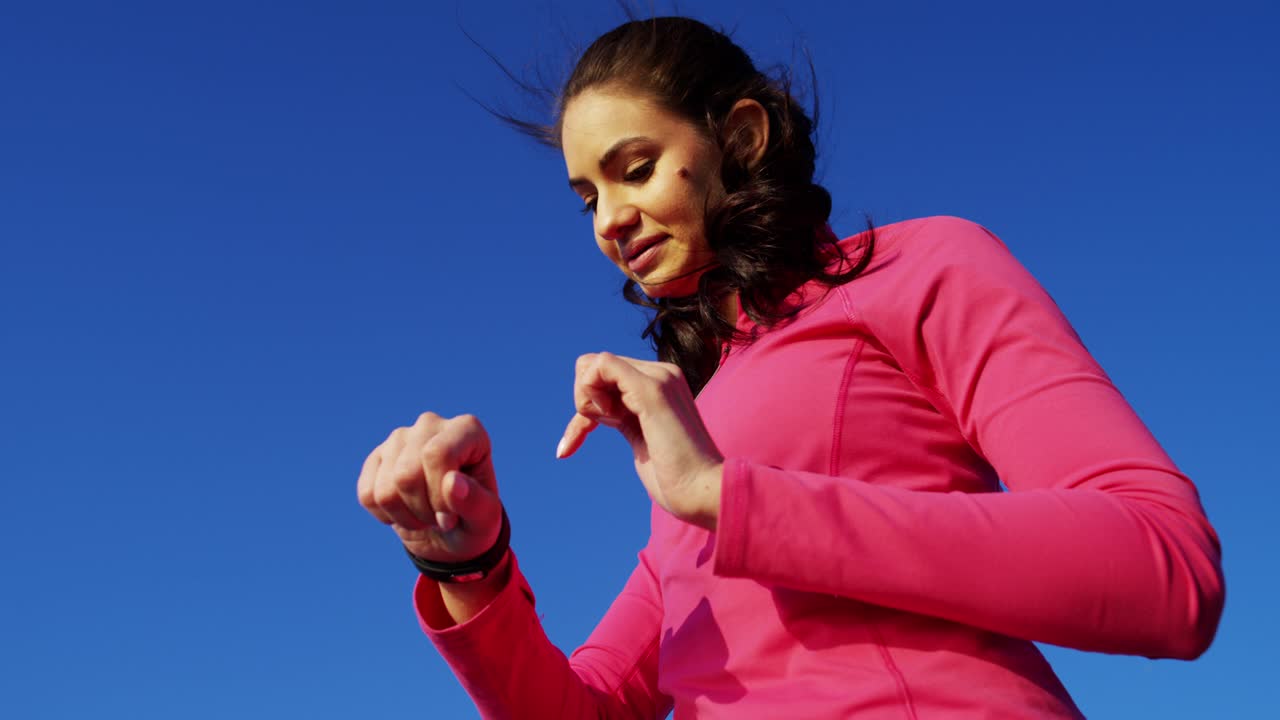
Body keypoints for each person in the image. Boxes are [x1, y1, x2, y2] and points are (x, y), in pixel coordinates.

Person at [356, 16, 1224, 719]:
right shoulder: (692, 440)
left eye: (637, 169)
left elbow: (1162, 566)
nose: (609, 222)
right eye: (589, 198)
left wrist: (732, 496)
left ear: (740, 136)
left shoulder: (919, 266)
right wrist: (466, 565)